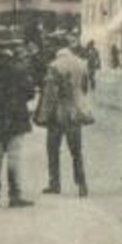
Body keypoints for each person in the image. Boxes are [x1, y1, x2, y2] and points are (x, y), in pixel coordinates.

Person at [0, 37, 36, 208]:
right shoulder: (20, 68)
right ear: (12, 49)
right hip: (15, 117)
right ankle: (14, 195)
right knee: (14, 157)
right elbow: (29, 93)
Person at [37, 42, 93, 197]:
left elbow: (50, 94)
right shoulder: (82, 64)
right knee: (76, 151)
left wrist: (43, 115)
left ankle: (55, 183)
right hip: (76, 111)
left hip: (57, 114)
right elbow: (85, 87)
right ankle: (82, 184)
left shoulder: (54, 66)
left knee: (53, 149)